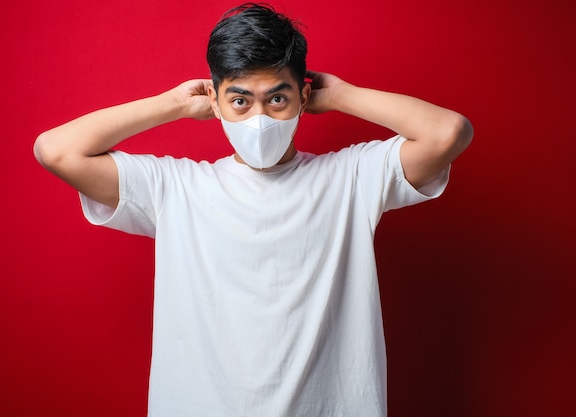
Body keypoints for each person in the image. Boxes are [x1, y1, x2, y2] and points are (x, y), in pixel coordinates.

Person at [34, 4, 473, 416]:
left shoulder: (352, 178)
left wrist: (342, 94)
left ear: (303, 97)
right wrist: (174, 104)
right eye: (240, 100)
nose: (258, 118)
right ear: (216, 101)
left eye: (277, 99)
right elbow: (56, 150)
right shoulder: (174, 188)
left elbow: (448, 132)